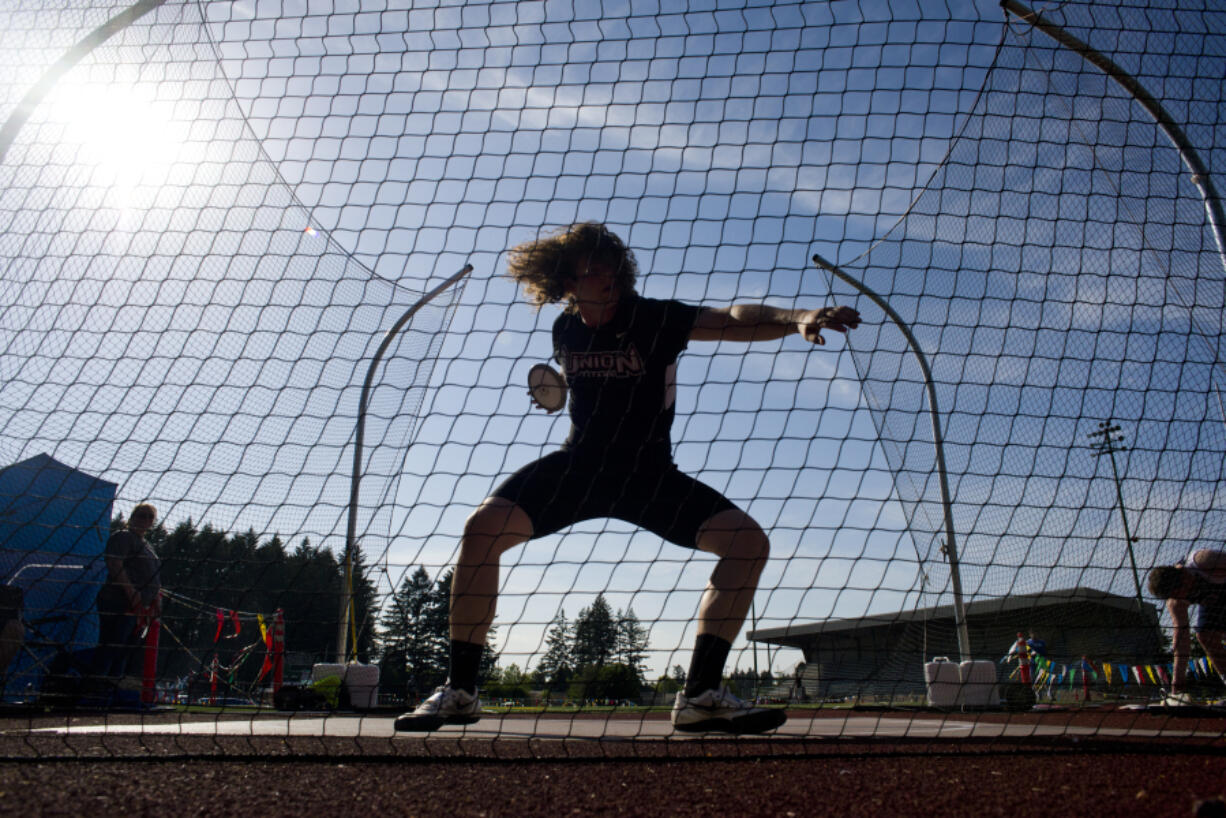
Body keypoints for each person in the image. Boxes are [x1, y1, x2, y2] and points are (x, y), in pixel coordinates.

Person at [394, 222, 860, 734]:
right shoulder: (564, 330)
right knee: (481, 529)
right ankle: (460, 692)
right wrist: (555, 395)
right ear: (566, 282)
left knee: (748, 544)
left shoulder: (654, 318)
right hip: (579, 468)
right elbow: (581, 391)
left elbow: (729, 317)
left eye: (608, 264)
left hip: (647, 475)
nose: (604, 275)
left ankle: (701, 694)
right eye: (589, 269)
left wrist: (797, 318)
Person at [1147, 548, 1226, 704]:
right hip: (1217, 603)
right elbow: (1181, 642)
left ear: (1183, 578)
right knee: (1205, 635)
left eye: (1180, 593)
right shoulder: (1176, 601)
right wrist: (1177, 684)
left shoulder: (1203, 561)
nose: (1182, 598)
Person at [95, 503, 162, 688]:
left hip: (140, 607)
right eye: (142, 515)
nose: (145, 519)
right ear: (132, 517)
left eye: (150, 517)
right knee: (111, 646)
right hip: (119, 601)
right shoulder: (123, 537)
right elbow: (115, 564)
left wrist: (154, 598)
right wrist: (131, 592)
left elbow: (153, 575)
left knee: (125, 650)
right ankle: (95, 690)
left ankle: (111, 689)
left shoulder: (147, 545)